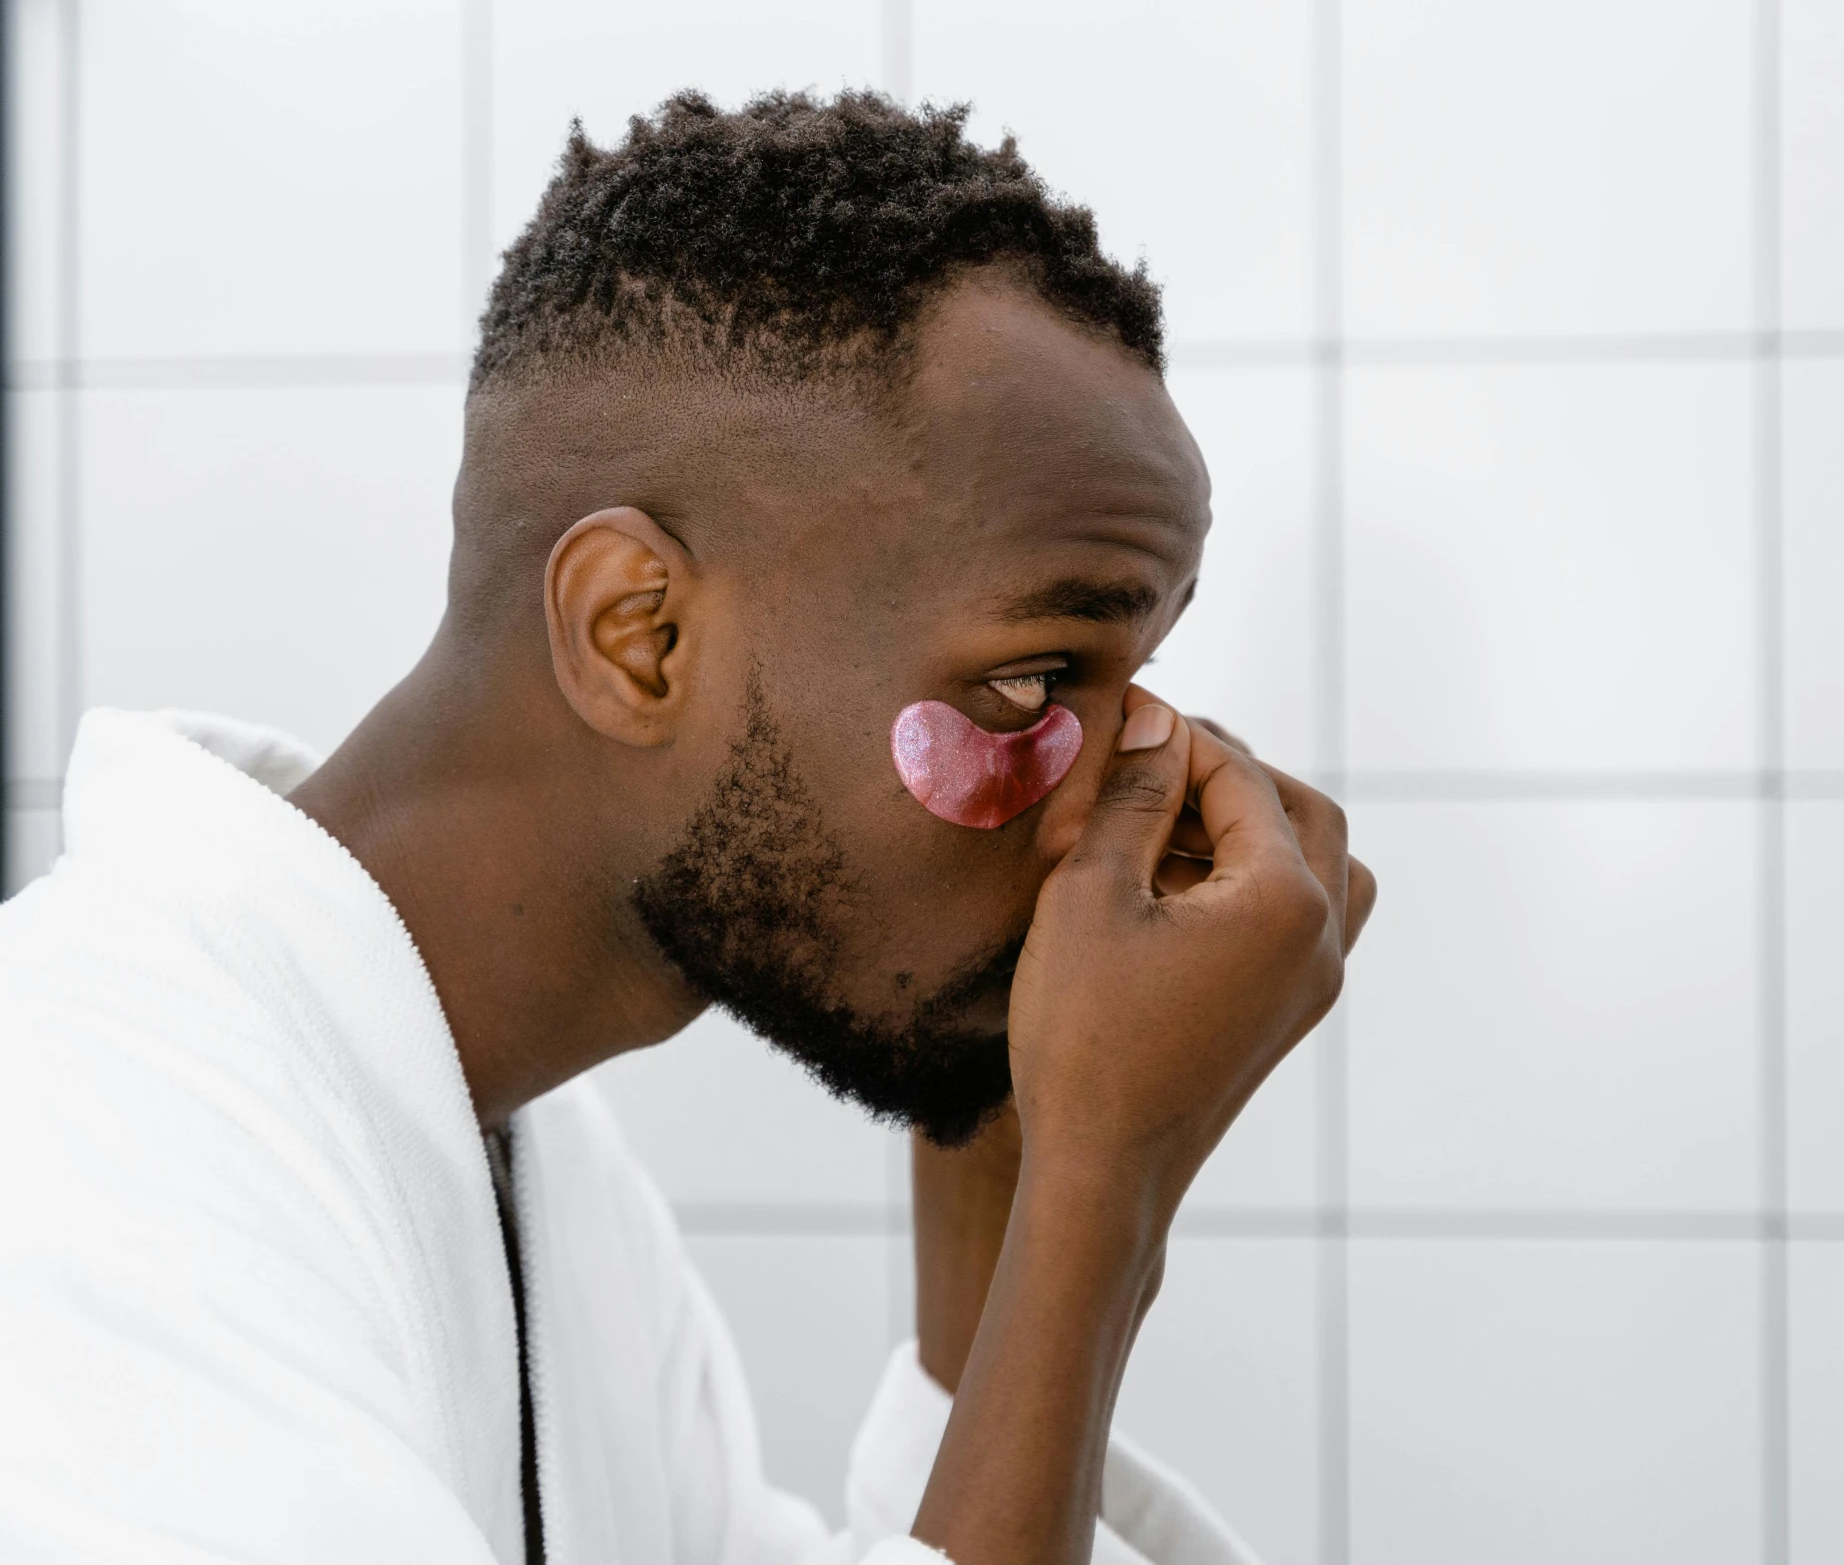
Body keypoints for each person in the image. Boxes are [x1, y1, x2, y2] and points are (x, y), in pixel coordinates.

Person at [0, 89, 1373, 1565]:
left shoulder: (547, 1174)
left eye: (1137, 684)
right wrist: (1098, 1214)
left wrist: (1026, 1181)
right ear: (639, 636)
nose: (1109, 797)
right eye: (1032, 678)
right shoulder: (80, 1162)